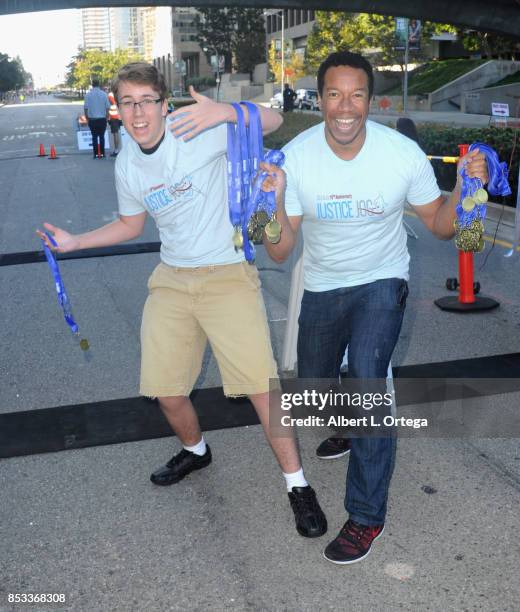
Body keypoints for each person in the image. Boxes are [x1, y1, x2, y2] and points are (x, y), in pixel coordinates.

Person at [37, 62, 326, 539]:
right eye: (127, 102)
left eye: (146, 100)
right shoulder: (127, 160)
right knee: (166, 391)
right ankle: (196, 451)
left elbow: (273, 121)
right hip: (172, 278)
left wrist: (226, 113)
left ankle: (297, 485)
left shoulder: (195, 129)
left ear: (164, 104)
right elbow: (131, 225)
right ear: (117, 108)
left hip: (227, 274)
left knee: (262, 387)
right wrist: (76, 243)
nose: (137, 111)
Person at [261, 50, 488, 564]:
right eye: (335, 95)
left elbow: (441, 224)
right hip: (321, 285)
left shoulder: (399, 153)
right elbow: (278, 249)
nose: (346, 107)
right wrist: (271, 201)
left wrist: (467, 189)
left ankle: (365, 517)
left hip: (382, 283)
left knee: (368, 386)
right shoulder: (295, 157)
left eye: (357, 95)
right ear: (319, 100)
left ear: (371, 100)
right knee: (316, 390)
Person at [84, 78, 110, 159]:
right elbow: (107, 107)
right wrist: (107, 116)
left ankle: (95, 154)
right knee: (102, 136)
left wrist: (87, 117)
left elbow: (85, 108)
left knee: (94, 137)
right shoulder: (104, 94)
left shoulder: (88, 95)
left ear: (92, 85)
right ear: (99, 84)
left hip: (92, 119)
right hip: (102, 118)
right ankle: (102, 153)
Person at [108, 91, 122, 157]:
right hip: (120, 115)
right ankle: (119, 149)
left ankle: (116, 150)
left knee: (115, 133)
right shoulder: (120, 92)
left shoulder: (110, 94)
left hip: (113, 116)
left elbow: (111, 104)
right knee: (119, 133)